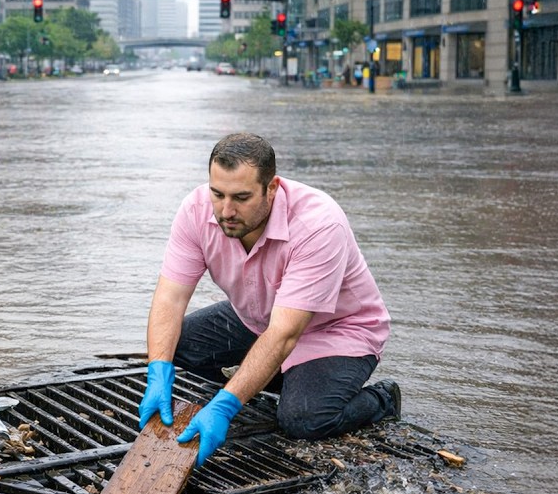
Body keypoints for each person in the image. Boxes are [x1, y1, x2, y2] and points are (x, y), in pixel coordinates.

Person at [137, 132, 399, 467]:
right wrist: (158, 371)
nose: (226, 210)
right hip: (260, 315)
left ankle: (382, 399)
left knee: (303, 419)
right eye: (218, 194)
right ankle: (282, 381)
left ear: (271, 188)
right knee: (179, 345)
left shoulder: (318, 224)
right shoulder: (196, 210)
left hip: (337, 330)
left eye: (241, 198)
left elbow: (284, 334)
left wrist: (226, 406)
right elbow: (170, 298)